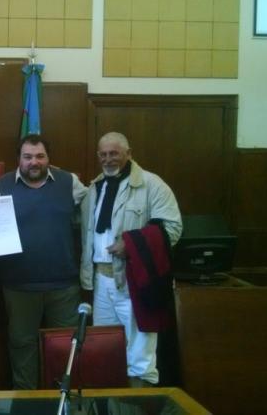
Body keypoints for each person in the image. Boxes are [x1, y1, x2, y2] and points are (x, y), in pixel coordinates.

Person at [79, 132, 182, 386]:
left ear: (128, 153)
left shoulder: (151, 184)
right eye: (103, 154)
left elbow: (173, 228)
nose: (108, 159)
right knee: (105, 351)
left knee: (140, 359)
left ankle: (141, 403)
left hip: (136, 280)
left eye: (114, 153)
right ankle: (111, 404)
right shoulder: (94, 188)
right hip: (101, 282)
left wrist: (131, 245)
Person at [0, 134, 88, 389]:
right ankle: (25, 403)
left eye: (40, 156)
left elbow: (92, 215)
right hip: (18, 287)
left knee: (67, 348)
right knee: (22, 347)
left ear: (48, 158)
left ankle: (63, 402)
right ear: (18, 159)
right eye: (28, 156)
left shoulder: (70, 182)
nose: (34, 162)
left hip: (64, 286)